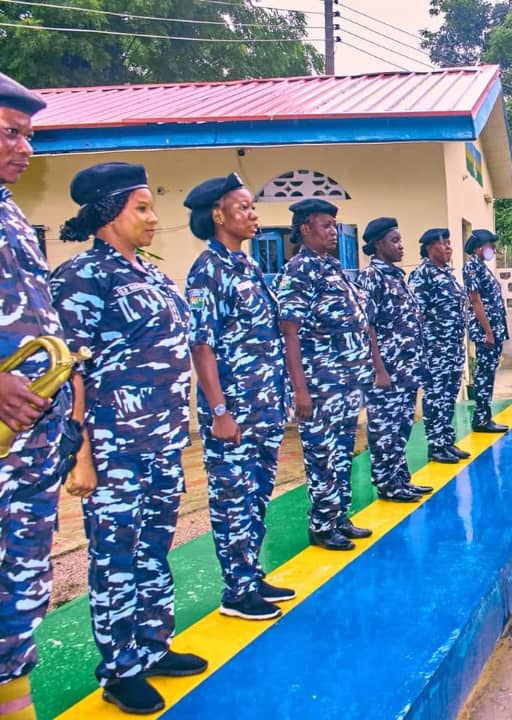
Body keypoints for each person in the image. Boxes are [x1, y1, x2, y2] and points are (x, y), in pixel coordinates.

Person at [51, 162, 207, 714]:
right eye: (141, 208)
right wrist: (82, 456)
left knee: (153, 550)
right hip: (113, 446)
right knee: (115, 555)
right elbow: (70, 370)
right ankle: (119, 670)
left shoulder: (153, 274)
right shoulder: (81, 278)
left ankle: (151, 646)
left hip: (161, 442)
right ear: (107, 213)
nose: (152, 217)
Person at [184, 173, 294, 622]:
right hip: (233, 411)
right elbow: (201, 345)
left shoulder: (246, 266)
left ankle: (251, 573)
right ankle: (236, 591)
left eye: (252, 207)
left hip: (263, 405)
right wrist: (219, 411)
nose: (254, 215)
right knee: (232, 497)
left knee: (256, 493)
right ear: (217, 215)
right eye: (244, 207)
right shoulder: (207, 270)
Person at [0, 72, 73, 720]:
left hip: (28, 448)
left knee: (19, 582)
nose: (26, 148)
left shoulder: (13, 216)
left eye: (30, 136)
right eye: (12, 133)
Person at [278, 199, 373, 551]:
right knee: (321, 454)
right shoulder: (300, 270)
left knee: (342, 450)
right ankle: (321, 525)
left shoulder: (331, 267)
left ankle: (338, 514)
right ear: (305, 229)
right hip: (320, 383)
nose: (333, 231)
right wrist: (300, 391)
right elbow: (289, 331)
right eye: (325, 225)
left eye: (334, 225)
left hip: (346, 382)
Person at [356, 218, 431, 502]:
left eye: (400, 241)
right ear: (378, 244)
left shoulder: (396, 276)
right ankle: (386, 483)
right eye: (394, 241)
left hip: (407, 368)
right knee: (384, 428)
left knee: (401, 426)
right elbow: (368, 326)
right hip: (387, 369)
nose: (401, 247)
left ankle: (400, 478)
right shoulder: (371, 277)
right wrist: (379, 369)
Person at [408, 228, 470, 464]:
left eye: (449, 244)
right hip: (435, 350)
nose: (448, 248)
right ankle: (435, 445)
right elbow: (416, 314)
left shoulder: (447, 274)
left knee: (448, 396)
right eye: (443, 244)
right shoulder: (422, 275)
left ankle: (446, 441)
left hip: (452, 349)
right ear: (429, 248)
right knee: (435, 396)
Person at [463, 230, 509, 433]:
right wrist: (488, 332)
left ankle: (484, 416)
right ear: (478, 248)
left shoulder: (481, 267)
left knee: (488, 373)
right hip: (486, 331)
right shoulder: (472, 266)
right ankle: (481, 419)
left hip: (494, 329)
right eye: (491, 245)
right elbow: (475, 300)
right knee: (483, 374)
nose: (494, 249)